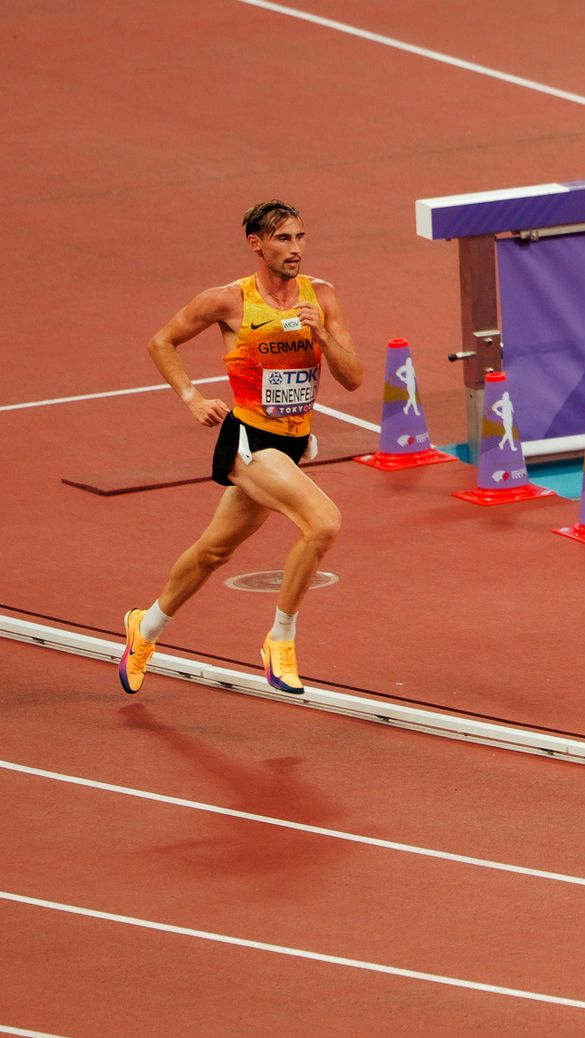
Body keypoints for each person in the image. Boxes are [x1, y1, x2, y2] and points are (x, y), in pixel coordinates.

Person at [120, 200, 362, 696]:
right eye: (283, 239)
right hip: (249, 441)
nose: (295, 249)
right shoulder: (228, 301)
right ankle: (280, 638)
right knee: (323, 523)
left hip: (293, 444)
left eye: (299, 237)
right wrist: (192, 397)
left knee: (214, 551)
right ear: (256, 244)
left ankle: (145, 626)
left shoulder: (322, 296)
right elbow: (161, 342)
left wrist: (321, 333)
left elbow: (354, 377)